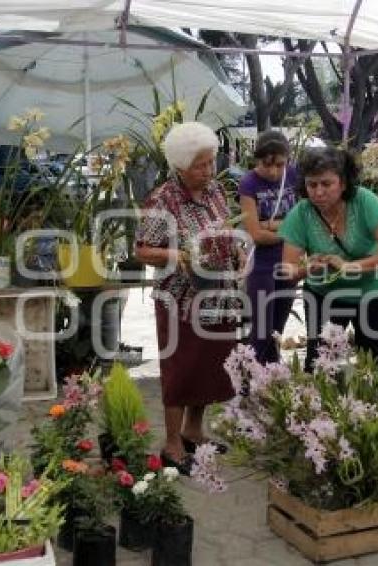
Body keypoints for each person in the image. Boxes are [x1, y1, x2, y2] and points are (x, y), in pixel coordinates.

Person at [135, 122, 242, 474]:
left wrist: (238, 254)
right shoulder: (162, 199)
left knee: (209, 367)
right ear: (180, 166)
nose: (209, 171)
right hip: (181, 299)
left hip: (220, 294)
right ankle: (172, 442)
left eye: (211, 162)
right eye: (201, 165)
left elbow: (225, 230)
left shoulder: (214, 192)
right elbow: (142, 250)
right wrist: (178, 257)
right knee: (181, 369)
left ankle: (194, 430)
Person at [279, 147, 378, 375]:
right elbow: (288, 270)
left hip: (375, 291)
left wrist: (350, 267)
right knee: (320, 362)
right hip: (325, 293)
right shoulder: (301, 213)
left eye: (326, 184)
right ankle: (322, 409)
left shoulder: (364, 201)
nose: (318, 192)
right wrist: (307, 268)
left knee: (373, 364)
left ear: (343, 183)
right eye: (312, 185)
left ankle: (372, 410)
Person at [238, 130, 299, 362]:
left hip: (288, 261)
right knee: (261, 331)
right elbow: (256, 234)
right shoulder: (249, 183)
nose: (274, 171)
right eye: (267, 164)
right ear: (257, 159)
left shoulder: (294, 176)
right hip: (262, 264)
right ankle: (252, 382)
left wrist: (271, 225)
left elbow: (305, 218)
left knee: (277, 329)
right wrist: (290, 229)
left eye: (280, 165)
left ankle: (273, 382)